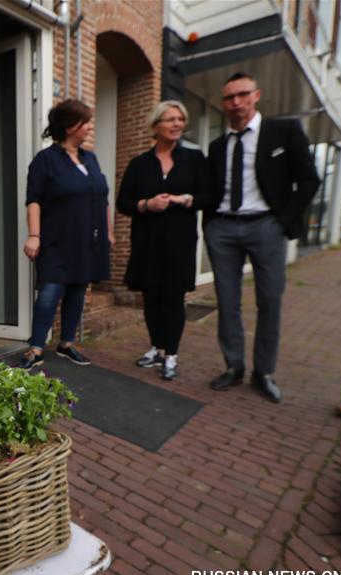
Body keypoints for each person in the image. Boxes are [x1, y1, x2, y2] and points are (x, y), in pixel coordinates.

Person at [205, 72, 320, 402]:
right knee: (227, 303)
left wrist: (282, 222)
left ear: (257, 95)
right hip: (223, 229)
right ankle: (233, 366)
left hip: (266, 227)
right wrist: (210, 225)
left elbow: (309, 180)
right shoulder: (216, 146)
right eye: (229, 97)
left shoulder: (283, 132)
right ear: (223, 103)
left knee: (269, 300)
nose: (236, 102)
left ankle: (263, 372)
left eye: (242, 94)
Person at [116, 101, 212, 380]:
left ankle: (171, 354)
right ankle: (156, 348)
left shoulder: (195, 159)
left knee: (173, 298)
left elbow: (209, 196)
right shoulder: (139, 164)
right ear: (156, 125)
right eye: (170, 119)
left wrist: (185, 199)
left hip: (179, 243)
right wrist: (146, 204)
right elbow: (124, 203)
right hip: (147, 242)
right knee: (150, 298)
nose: (177, 124)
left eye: (180, 119)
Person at [19, 99, 112, 370]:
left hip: (87, 240)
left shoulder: (90, 158)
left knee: (78, 291)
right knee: (49, 292)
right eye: (87, 122)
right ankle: (36, 348)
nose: (90, 127)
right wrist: (34, 235)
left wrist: (108, 232)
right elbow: (33, 199)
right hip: (57, 239)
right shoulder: (45, 160)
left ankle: (66, 344)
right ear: (71, 126)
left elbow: (102, 197)